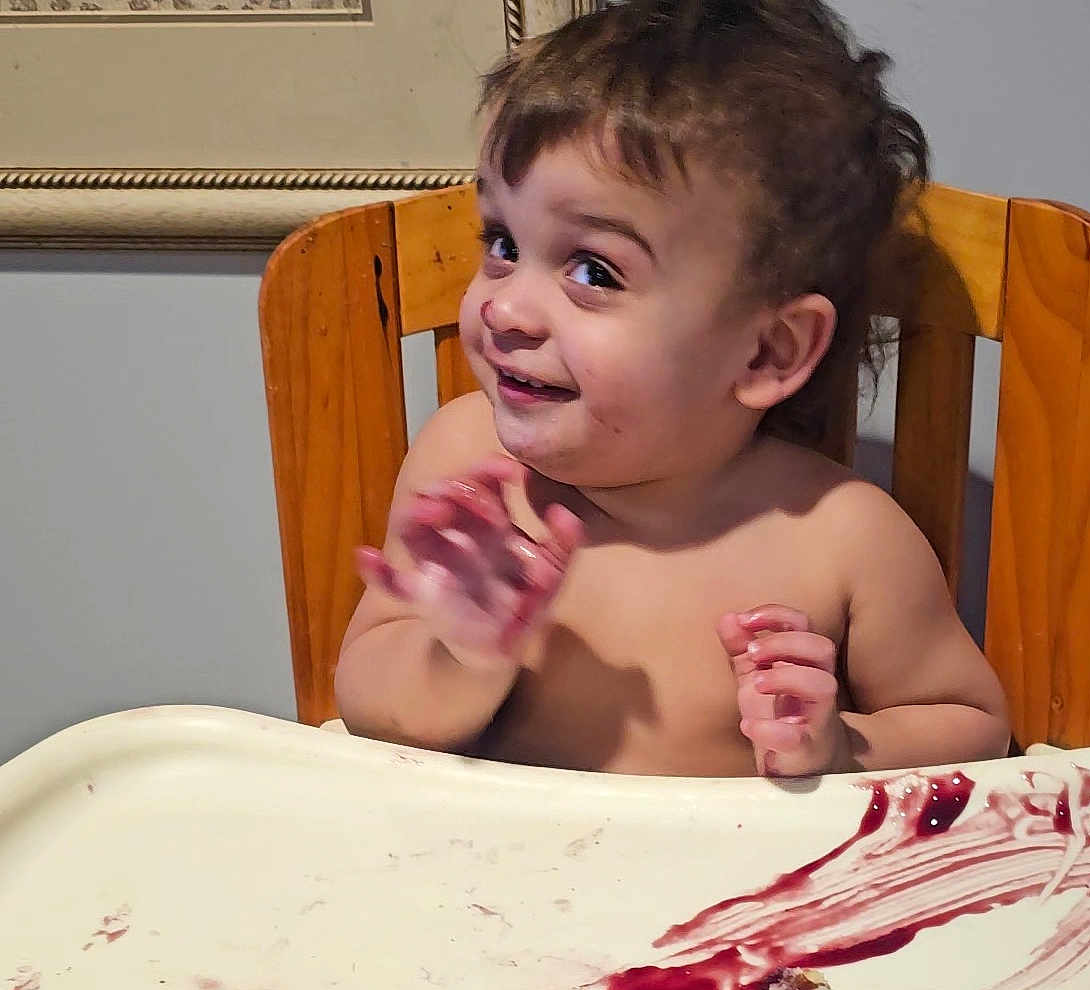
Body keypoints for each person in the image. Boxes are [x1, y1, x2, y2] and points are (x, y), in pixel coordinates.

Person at [334, 0, 1008, 777]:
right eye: (502, 242)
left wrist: (841, 745)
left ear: (766, 351)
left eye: (595, 271)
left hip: (745, 894)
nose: (506, 307)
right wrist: (463, 659)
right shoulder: (467, 468)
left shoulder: (843, 539)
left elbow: (971, 723)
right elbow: (364, 696)